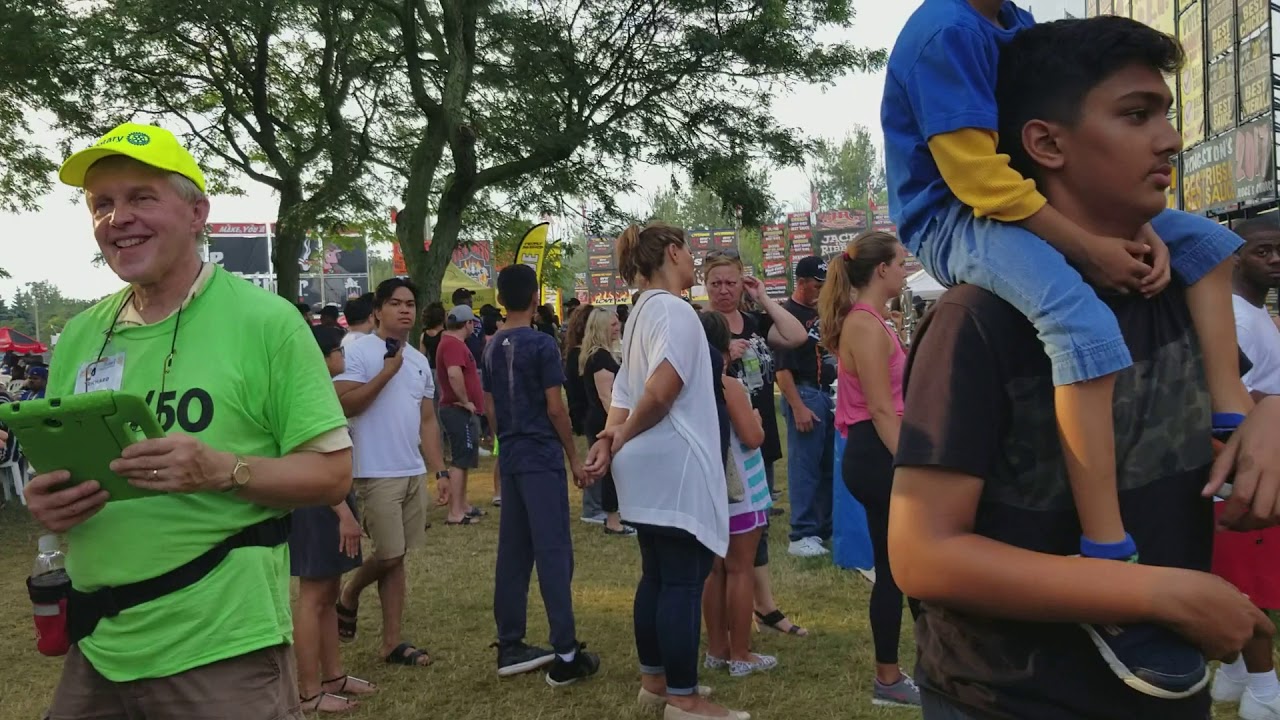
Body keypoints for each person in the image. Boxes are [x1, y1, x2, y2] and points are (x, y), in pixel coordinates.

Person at [888, 17, 1280, 720]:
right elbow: (923, 556)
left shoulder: (1182, 284)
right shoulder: (979, 319)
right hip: (1011, 696)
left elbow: (1241, 420)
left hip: (1168, 684)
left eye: (1167, 113)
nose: (1169, 138)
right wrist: (1149, 592)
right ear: (1044, 142)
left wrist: (1266, 416)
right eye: (1136, 114)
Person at [30, 121, 352, 718]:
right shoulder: (79, 335)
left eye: (141, 197)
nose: (117, 217)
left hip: (221, 644)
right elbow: (65, 469)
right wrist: (49, 502)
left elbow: (332, 475)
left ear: (197, 212)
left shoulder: (268, 322)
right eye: (102, 204)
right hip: (99, 644)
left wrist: (220, 469)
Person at [584, 223, 744, 720]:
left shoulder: (640, 314)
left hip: (646, 461)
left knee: (656, 574)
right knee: (681, 580)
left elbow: (628, 396)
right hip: (674, 460)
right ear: (673, 253)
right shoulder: (674, 310)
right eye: (690, 253)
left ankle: (655, 683)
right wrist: (619, 437)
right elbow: (661, 388)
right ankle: (683, 697)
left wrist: (612, 439)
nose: (694, 262)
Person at [483, 263, 600, 685]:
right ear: (536, 298)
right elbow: (555, 407)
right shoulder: (542, 344)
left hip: (513, 453)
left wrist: (505, 441)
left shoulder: (492, 346)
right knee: (553, 553)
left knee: (513, 553)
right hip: (540, 455)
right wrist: (572, 456)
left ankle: (510, 642)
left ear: (500, 300)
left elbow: (491, 405)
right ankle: (566, 651)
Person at [818, 232, 921, 708]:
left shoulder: (873, 321)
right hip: (878, 452)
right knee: (896, 568)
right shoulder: (864, 325)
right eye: (901, 263)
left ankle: (928, 663)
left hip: (879, 450)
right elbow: (881, 410)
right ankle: (889, 677)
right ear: (881, 270)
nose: (906, 270)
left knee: (908, 566)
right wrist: (914, 466)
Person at [334, 277, 448, 668]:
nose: (405, 310)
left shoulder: (418, 362)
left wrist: (440, 471)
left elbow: (428, 421)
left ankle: (392, 643)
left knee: (397, 559)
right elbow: (345, 405)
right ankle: (349, 594)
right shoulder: (359, 352)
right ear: (378, 310)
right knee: (390, 552)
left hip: (412, 470)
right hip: (373, 471)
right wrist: (386, 372)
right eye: (396, 303)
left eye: (411, 304)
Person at [701, 250, 811, 640]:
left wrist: (763, 298)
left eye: (732, 282)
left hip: (757, 436)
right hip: (725, 440)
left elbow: (797, 336)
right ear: (705, 284)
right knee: (723, 539)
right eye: (716, 283)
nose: (724, 290)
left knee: (756, 528)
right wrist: (722, 357)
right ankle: (741, 612)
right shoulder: (702, 326)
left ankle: (763, 606)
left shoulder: (754, 321)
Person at [1211, 217, 1280, 719]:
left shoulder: (1256, 314)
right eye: (1262, 251)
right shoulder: (1233, 319)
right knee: (1249, 592)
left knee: (1247, 586)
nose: (1274, 260)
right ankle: (1265, 690)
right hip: (1240, 480)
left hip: (1254, 474)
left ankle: (1236, 677)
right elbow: (1217, 401)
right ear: (1236, 257)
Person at [291, 326, 375, 713]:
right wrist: (342, 512)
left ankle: (333, 675)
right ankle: (308, 691)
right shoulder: (305, 394)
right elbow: (311, 456)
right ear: (322, 357)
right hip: (319, 503)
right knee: (313, 598)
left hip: (332, 498)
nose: (344, 357)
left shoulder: (320, 390)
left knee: (327, 595)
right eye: (339, 351)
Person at [699, 310, 775, 680]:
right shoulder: (726, 384)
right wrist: (758, 421)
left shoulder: (687, 384)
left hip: (707, 489)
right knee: (740, 568)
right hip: (741, 489)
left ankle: (717, 648)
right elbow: (752, 437)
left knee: (714, 570)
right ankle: (742, 653)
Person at [774, 256, 836, 557]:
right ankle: (801, 533)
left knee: (826, 467)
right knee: (804, 468)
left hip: (824, 392)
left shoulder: (819, 312)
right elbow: (782, 368)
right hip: (804, 392)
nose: (823, 291)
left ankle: (823, 529)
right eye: (818, 285)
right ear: (801, 283)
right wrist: (797, 405)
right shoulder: (788, 314)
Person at [578, 306, 633, 536]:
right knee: (611, 471)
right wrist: (619, 425)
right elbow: (606, 396)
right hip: (604, 421)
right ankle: (612, 519)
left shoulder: (600, 354)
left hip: (603, 420)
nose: (617, 327)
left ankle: (615, 514)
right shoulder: (600, 357)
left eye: (617, 323)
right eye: (612, 324)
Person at [436, 304, 486, 526]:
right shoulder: (453, 345)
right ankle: (455, 512)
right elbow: (454, 374)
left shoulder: (450, 343)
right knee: (459, 459)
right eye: (472, 324)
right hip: (456, 410)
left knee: (464, 459)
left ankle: (462, 504)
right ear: (467, 324)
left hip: (460, 409)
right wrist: (466, 401)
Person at [419, 302, 447, 369]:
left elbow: (422, 356)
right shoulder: (445, 334)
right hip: (443, 369)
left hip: (431, 369)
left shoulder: (424, 335)